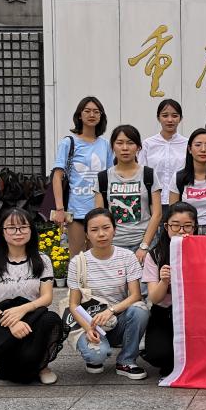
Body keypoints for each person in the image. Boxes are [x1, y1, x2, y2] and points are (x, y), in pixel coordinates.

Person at [0, 208, 64, 385]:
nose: (18, 232)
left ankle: (43, 366)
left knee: (51, 319)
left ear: (31, 230)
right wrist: (12, 322)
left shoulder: (42, 260)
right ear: (2, 232)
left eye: (23, 227)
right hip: (2, 319)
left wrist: (23, 310)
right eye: (11, 228)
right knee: (17, 375)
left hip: (34, 316)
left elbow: (46, 298)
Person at [67, 208, 149, 380]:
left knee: (140, 309)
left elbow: (135, 295)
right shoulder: (78, 262)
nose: (101, 234)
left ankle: (126, 361)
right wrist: (88, 328)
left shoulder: (127, 257)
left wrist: (111, 311)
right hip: (90, 321)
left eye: (106, 228)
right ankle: (94, 354)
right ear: (87, 234)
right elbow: (73, 304)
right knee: (96, 357)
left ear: (114, 230)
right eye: (94, 230)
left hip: (117, 320)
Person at [49, 96, 113, 257]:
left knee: (99, 259)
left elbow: (110, 176)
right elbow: (57, 176)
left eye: (96, 112)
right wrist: (60, 209)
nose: (92, 115)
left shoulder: (105, 144)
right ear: (79, 115)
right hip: (75, 211)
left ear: (101, 116)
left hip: (99, 212)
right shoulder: (69, 142)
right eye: (87, 111)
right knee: (77, 259)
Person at [140, 202, 197, 378]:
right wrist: (164, 281)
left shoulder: (203, 250)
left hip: (195, 314)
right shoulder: (155, 255)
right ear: (166, 227)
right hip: (165, 313)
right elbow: (154, 298)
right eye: (175, 225)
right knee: (159, 355)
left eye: (188, 226)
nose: (181, 231)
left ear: (195, 227)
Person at [93, 124, 161, 261]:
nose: (125, 148)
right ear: (113, 147)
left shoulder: (148, 174)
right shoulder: (103, 178)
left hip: (144, 243)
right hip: (113, 245)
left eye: (130, 143)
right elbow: (99, 216)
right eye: (119, 143)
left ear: (138, 147)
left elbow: (157, 214)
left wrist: (144, 246)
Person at [139, 99, 187, 218]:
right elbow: (141, 173)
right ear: (158, 118)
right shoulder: (148, 144)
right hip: (153, 202)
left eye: (174, 116)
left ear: (180, 118)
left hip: (181, 200)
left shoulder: (187, 144)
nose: (170, 120)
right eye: (165, 116)